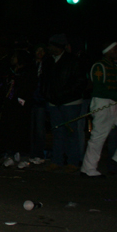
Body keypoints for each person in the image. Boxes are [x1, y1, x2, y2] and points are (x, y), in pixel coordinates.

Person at [80, 42, 117, 178]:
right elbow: (100, 88)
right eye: (115, 49)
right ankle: (89, 168)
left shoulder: (113, 66)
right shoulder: (99, 66)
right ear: (107, 51)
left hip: (112, 103)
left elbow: (114, 87)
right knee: (98, 136)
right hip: (102, 102)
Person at [40, 34, 87, 171]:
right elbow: (44, 81)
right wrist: (48, 95)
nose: (49, 48)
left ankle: (73, 161)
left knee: (71, 132)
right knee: (57, 132)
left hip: (70, 103)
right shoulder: (48, 61)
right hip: (54, 103)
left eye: (51, 45)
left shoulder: (73, 61)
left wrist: (63, 95)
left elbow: (79, 82)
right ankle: (57, 160)